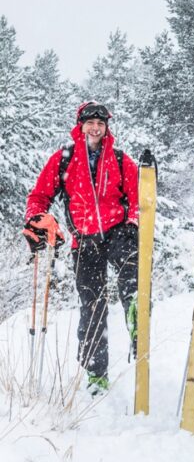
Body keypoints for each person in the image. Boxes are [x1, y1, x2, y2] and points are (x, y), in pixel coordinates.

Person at [24, 101, 139, 395]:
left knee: (131, 274)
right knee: (92, 305)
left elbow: (139, 199)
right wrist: (38, 219)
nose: (96, 127)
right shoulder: (64, 160)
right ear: (81, 125)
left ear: (106, 127)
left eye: (101, 123)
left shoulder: (119, 159)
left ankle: (137, 315)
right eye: (90, 122)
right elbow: (39, 196)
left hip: (117, 232)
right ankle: (96, 373)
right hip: (84, 240)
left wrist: (134, 222)